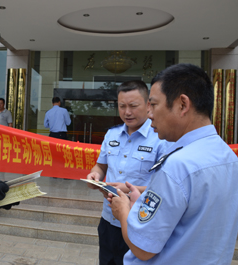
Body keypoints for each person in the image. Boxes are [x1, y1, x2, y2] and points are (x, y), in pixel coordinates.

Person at [109, 64, 238, 264]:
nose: (149, 114)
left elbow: (143, 248)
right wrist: (143, 201)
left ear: (182, 105)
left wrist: (123, 210)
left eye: (154, 104)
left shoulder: (178, 165)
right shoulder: (228, 157)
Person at [86, 80, 170, 265]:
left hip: (141, 223)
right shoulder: (112, 134)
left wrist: (130, 189)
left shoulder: (161, 139)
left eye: (133, 106)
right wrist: (95, 176)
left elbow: (166, 188)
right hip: (108, 220)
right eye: (122, 106)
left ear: (148, 104)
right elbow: (101, 166)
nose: (127, 112)